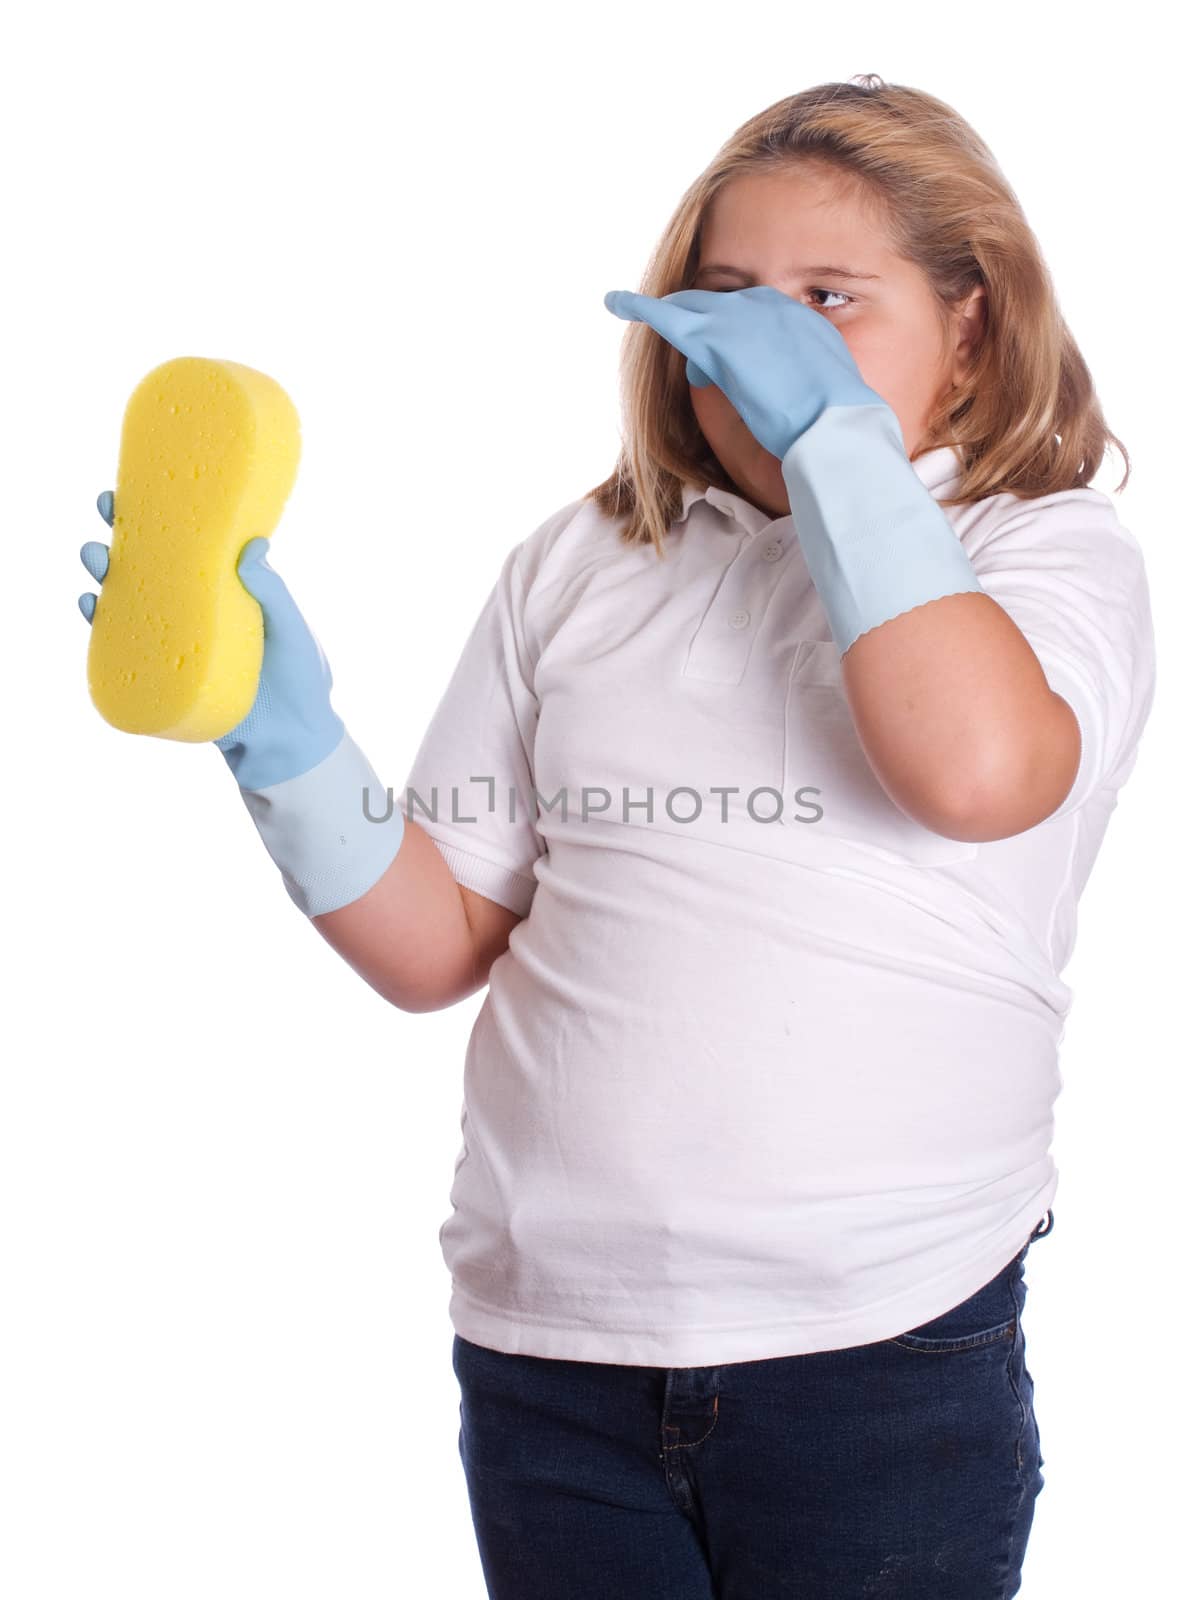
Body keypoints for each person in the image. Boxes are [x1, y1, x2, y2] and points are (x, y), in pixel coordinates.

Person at [78, 73, 1156, 1600]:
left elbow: (974, 773)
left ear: (969, 326)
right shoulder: (585, 562)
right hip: (550, 1353)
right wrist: (282, 737)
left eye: (826, 302)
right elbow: (438, 941)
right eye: (722, 299)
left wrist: (837, 445)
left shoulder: (1040, 549)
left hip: (877, 1355)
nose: (758, 344)